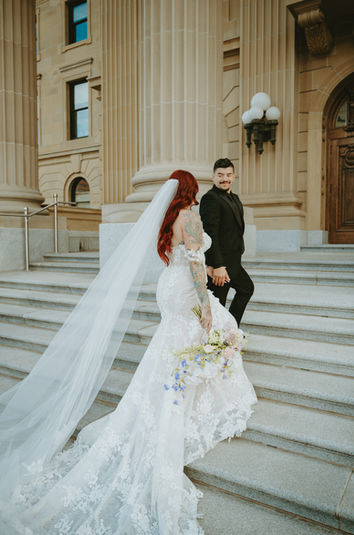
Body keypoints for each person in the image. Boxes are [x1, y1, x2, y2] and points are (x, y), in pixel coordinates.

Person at [0, 170, 256, 534]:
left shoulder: (168, 217)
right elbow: (198, 264)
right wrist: (206, 306)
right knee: (214, 328)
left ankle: (178, 387)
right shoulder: (191, 215)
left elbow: (174, 256)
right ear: (191, 190)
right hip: (185, 287)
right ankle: (198, 398)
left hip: (168, 286)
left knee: (172, 344)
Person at [199, 158, 254, 327]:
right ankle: (217, 340)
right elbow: (210, 234)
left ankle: (230, 329)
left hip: (234, 261)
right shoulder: (210, 198)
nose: (225, 178)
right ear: (213, 177)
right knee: (218, 304)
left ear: (234, 176)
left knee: (246, 289)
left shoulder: (235, 198)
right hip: (220, 264)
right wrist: (217, 265)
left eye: (229, 175)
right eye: (220, 175)